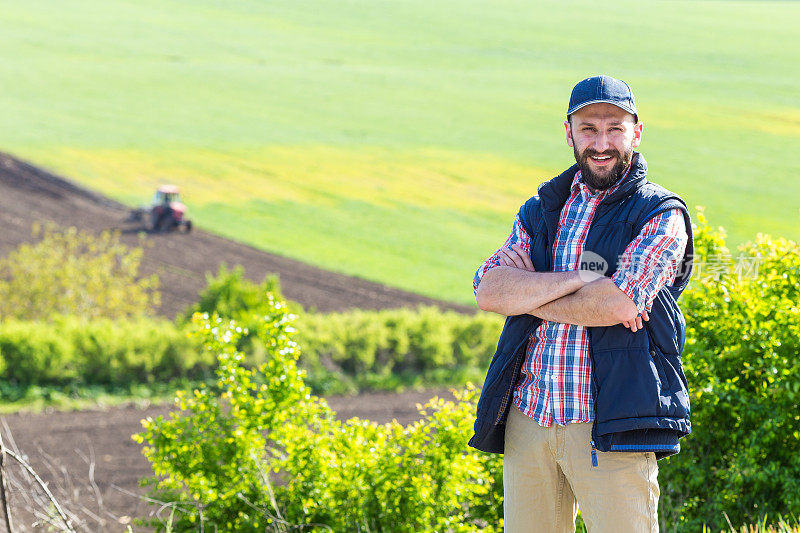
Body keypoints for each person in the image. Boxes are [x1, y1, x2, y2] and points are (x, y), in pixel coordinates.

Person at [469, 75, 694, 533]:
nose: (602, 142)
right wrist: (579, 280)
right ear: (568, 133)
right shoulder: (543, 207)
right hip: (529, 417)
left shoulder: (661, 215)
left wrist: (531, 292)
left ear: (637, 131)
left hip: (609, 423)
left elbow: (616, 303)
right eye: (588, 128)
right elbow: (490, 291)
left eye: (615, 128)